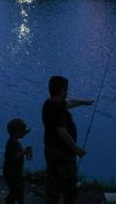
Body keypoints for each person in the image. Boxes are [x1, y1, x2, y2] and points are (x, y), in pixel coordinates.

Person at [42, 75, 93, 204]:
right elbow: (62, 133)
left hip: (50, 149)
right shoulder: (58, 110)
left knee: (53, 183)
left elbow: (69, 103)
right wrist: (77, 150)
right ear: (63, 91)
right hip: (62, 154)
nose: (67, 92)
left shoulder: (49, 103)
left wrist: (83, 102)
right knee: (69, 187)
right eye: (66, 89)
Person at [3, 118, 33, 204]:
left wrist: (26, 152)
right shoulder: (12, 142)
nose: (24, 133)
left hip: (16, 172)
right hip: (12, 172)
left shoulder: (15, 140)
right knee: (16, 191)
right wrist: (25, 151)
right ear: (16, 132)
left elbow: (20, 154)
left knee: (17, 191)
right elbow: (13, 157)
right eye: (22, 131)